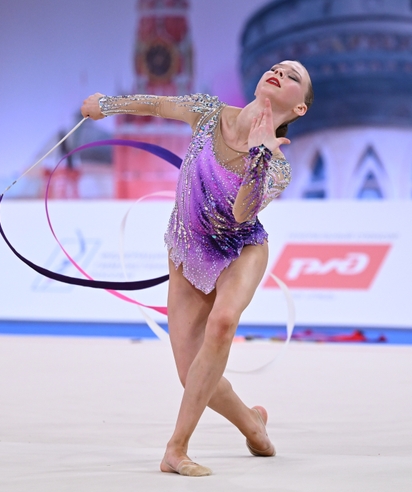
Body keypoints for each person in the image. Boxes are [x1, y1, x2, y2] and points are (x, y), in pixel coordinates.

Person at [80, 59, 313, 476]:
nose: (279, 72)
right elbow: (156, 105)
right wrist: (107, 104)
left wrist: (260, 153)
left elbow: (242, 213)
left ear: (300, 109)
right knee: (192, 376)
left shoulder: (278, 167)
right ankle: (252, 425)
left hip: (241, 249)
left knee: (222, 323)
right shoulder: (208, 112)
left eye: (293, 76)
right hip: (189, 251)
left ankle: (176, 449)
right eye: (277, 67)